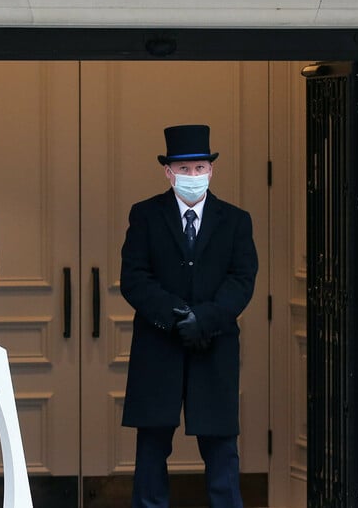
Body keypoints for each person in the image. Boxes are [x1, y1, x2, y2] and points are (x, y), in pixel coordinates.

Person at [120, 124, 258, 508]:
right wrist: (178, 316)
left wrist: (206, 319)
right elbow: (134, 278)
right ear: (168, 172)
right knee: (151, 451)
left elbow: (242, 280)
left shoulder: (235, 220)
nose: (193, 177)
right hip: (158, 347)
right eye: (184, 170)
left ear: (212, 170)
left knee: (221, 453)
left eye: (199, 168)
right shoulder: (145, 215)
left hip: (214, 348)